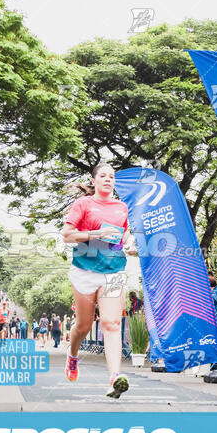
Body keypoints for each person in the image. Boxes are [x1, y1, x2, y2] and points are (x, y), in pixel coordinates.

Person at [62, 163, 133, 399]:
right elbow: (68, 235)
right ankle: (72, 357)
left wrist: (130, 243)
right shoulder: (83, 204)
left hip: (113, 271)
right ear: (93, 181)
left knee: (111, 324)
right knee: (83, 326)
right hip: (85, 270)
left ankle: (114, 379)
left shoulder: (122, 207)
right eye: (103, 175)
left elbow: (124, 234)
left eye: (111, 176)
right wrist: (96, 235)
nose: (108, 179)